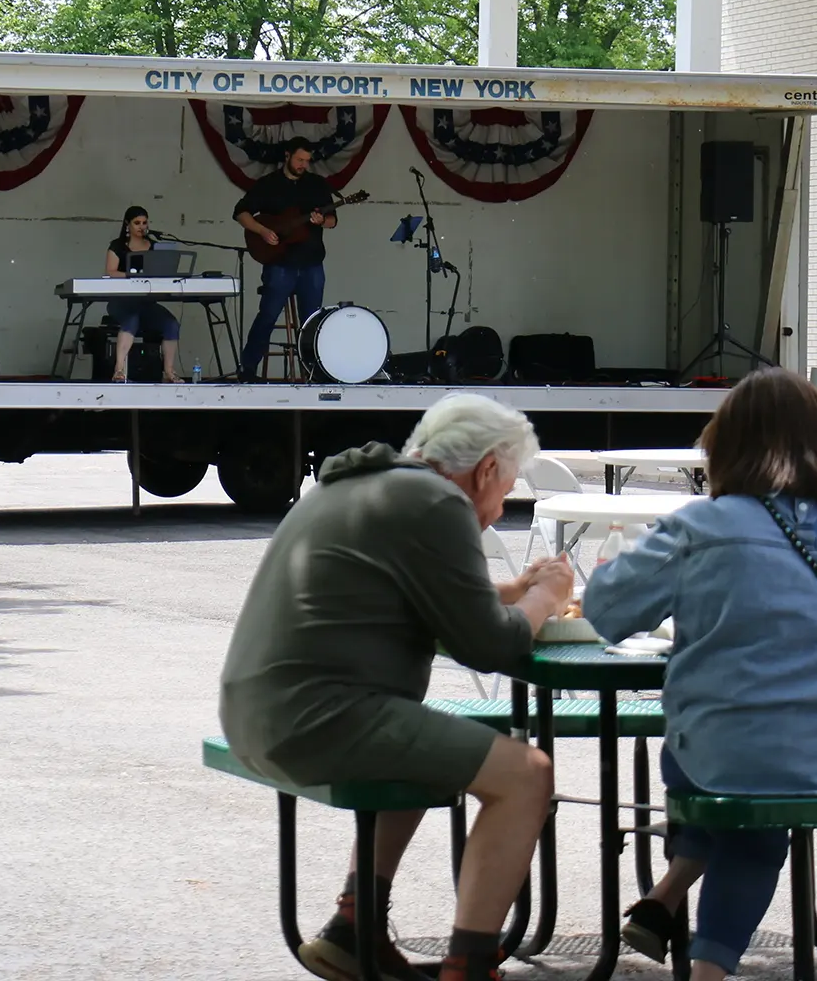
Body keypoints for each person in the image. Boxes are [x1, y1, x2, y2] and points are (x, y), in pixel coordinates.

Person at [220, 393, 576, 981]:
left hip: (258, 712)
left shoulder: (368, 488)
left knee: (430, 743)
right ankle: (471, 966)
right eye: (506, 490)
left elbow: (428, 598)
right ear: (487, 467)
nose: (497, 511)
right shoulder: (437, 502)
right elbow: (490, 647)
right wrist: (546, 596)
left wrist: (516, 591)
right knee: (526, 775)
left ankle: (353, 929)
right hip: (317, 718)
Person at [582, 366, 817, 980]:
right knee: (765, 781)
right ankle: (670, 899)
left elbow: (607, 612)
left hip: (719, 753)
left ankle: (692, 941)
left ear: (724, 446)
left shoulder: (699, 528)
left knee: (741, 779)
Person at [234, 137, 336, 381]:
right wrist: (262, 231)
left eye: (307, 161)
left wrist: (322, 220)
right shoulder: (268, 184)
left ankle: (313, 372)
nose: (303, 165)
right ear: (287, 156)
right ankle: (248, 369)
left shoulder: (317, 185)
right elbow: (240, 212)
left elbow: (332, 220)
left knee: (312, 320)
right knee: (268, 315)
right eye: (299, 159)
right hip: (280, 262)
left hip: (311, 262)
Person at [103, 205, 183, 383]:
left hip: (146, 303)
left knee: (171, 324)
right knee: (131, 319)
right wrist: (132, 276)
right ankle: (119, 370)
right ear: (127, 224)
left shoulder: (155, 247)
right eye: (137, 223)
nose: (141, 226)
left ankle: (169, 372)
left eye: (144, 223)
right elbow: (110, 272)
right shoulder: (118, 246)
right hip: (121, 302)